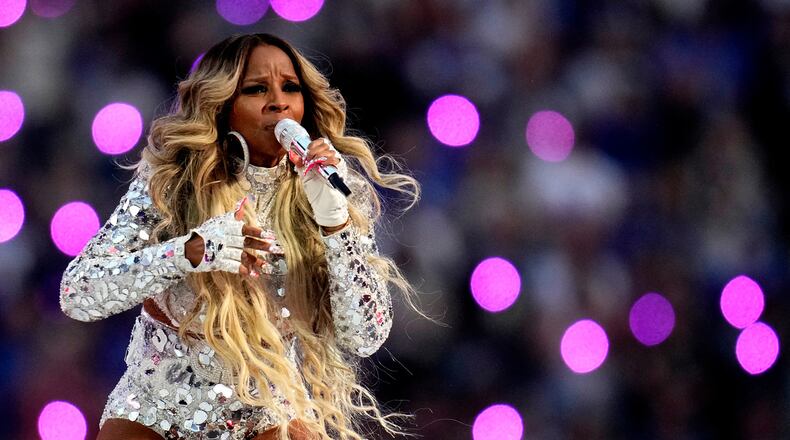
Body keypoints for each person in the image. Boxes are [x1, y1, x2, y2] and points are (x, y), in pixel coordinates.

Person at [59, 33, 420, 440]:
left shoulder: (328, 185)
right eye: (256, 89)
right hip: (154, 411)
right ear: (222, 105)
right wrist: (188, 253)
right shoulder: (171, 181)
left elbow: (367, 335)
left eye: (290, 87)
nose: (278, 102)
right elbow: (78, 293)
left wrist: (336, 224)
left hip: (267, 413)